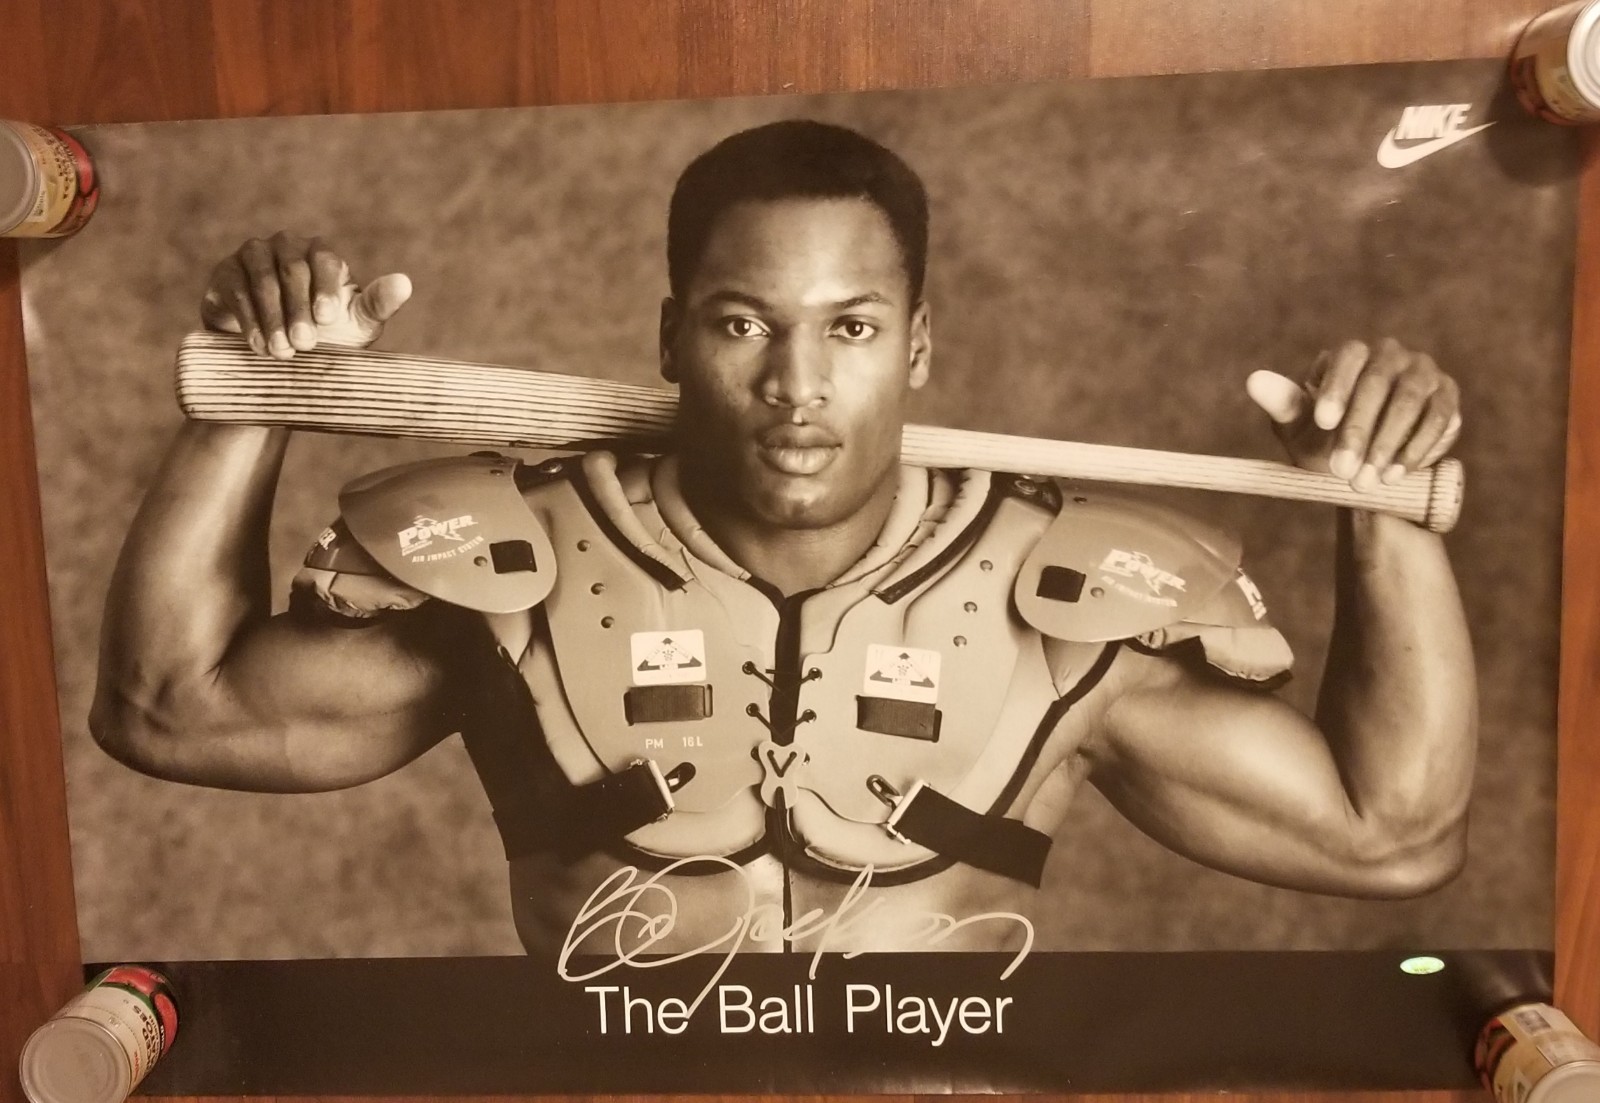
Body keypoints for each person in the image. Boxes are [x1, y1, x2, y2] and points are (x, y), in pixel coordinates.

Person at [91, 120, 1476, 961]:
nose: (795, 386)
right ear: (672, 338)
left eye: (852, 328)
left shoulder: (1058, 607)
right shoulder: (519, 576)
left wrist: (1379, 507)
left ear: (917, 347)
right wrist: (255, 405)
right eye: (743, 322)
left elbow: (1389, 837)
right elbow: (170, 712)